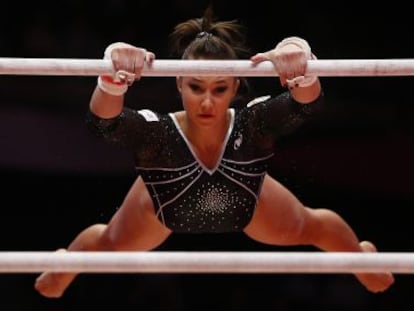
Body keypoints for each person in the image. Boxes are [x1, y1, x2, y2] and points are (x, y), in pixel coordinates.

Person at [34, 7, 394, 298]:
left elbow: (306, 106)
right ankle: (67, 263)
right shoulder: (158, 134)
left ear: (235, 85)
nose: (207, 101)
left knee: (309, 225)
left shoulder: (252, 124)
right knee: (110, 244)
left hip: (246, 199)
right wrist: (112, 77)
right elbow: (103, 123)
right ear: (178, 82)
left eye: (220, 89)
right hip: (164, 205)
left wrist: (300, 61)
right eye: (196, 87)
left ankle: (359, 257)